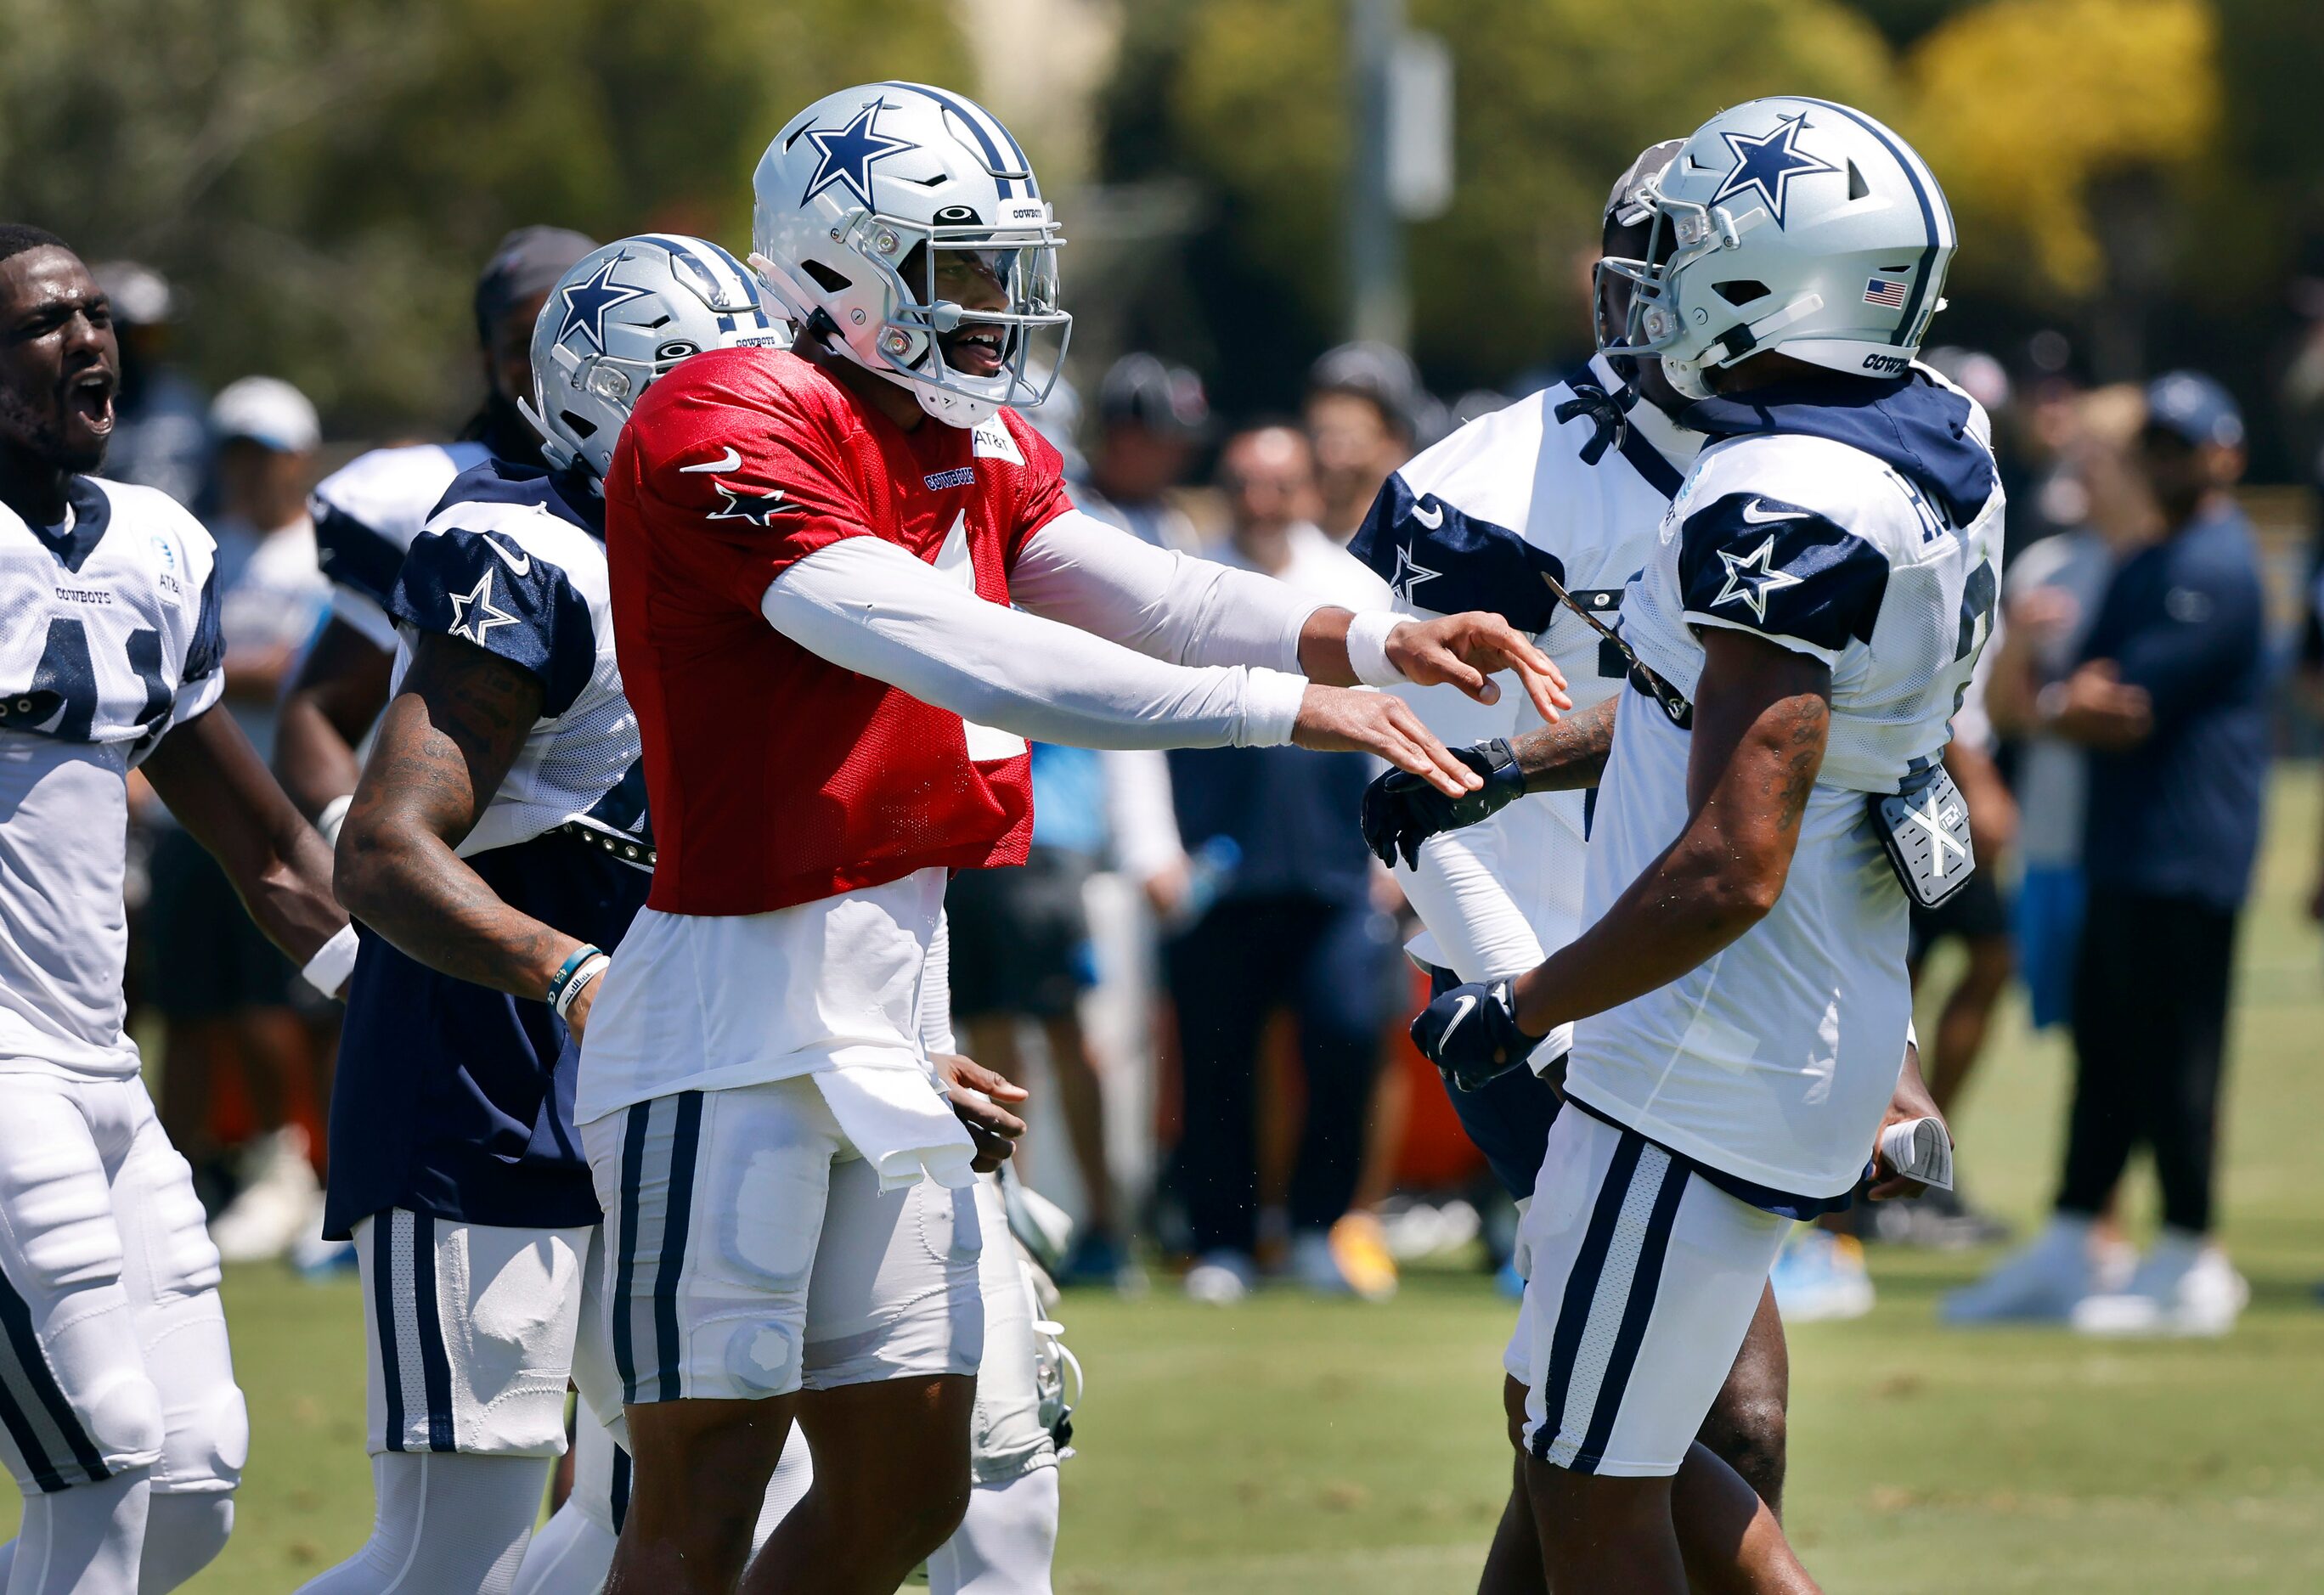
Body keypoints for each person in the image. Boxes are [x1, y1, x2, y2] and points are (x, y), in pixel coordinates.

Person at [579, 82, 1563, 1595]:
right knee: (698, 1491)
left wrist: (1376, 638)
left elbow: (1148, 590)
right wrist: (1282, 712)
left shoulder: (970, 439)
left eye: (1003, 270)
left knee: (912, 1475)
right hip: (722, 1015)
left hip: (892, 988)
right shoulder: (723, 416)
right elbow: (964, 652)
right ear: (838, 272)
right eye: (961, 269)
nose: (998, 309)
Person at [1403, 99, 1992, 1591]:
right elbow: (1763, 726)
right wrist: (1510, 767)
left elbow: (1734, 850)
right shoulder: (1942, 443)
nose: (1653, 293)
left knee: (1597, 1477)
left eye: (1693, 259)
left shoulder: (1773, 490)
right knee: (1584, 1425)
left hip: (1689, 1044)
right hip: (1804, 1017)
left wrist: (1527, 1004)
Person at [291, 235, 794, 1595]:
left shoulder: (724, 551)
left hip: (663, 1069)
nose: (757, 420)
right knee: (453, 1542)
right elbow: (387, 849)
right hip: (483, 1068)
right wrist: (572, 972)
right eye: (716, 388)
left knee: (717, 1492)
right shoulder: (516, 548)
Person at [1351, 139, 1799, 1555]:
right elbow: (1413, 787)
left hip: (1726, 984)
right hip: (1547, 988)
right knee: (1715, 1408)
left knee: (1612, 1399)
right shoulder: (1488, 486)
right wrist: (1528, 1010)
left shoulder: (1834, 467)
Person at [0, 223, 354, 1595]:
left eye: (96, 313)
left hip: (98, 1067)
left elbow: (265, 849)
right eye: (45, 321)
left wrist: (408, 993)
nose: (88, 337)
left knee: (194, 1480)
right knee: (101, 1451)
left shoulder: (155, 543)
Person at [1947, 372, 2268, 1338]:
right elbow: (2082, 702)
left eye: (2187, 447)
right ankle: (2077, 1234)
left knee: (2177, 1057)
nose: (2166, 464)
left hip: (2188, 848)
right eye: (2155, 446)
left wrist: (2064, 706)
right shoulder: (2149, 560)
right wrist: (2066, 704)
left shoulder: (2217, 564)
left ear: (2226, 458)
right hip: (2123, 848)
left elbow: (2120, 710)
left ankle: (2190, 1254)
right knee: (2111, 1051)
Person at [1160, 424, 1403, 1305]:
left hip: (1338, 867)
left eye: (1281, 485)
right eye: (1246, 483)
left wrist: (1396, 847)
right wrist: (1157, 852)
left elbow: (1393, 711)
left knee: (1345, 1036)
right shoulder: (1184, 579)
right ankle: (1221, 1238)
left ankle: (1315, 1228)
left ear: (1308, 490)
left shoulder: (1349, 585)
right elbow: (1133, 726)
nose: (1263, 501)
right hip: (1215, 867)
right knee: (1213, 1058)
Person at [274, 226, 598, 846]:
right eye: (523, 344)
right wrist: (360, 848)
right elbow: (316, 713)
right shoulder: (433, 499)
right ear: (486, 358)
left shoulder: (673, 484)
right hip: (483, 879)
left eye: (573, 340)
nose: (550, 365)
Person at [147, 375, 335, 1265]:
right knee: (187, 1003)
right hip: (192, 813)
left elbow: (312, 669)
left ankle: (290, 1169)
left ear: (299, 459)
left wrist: (216, 670)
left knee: (273, 1003)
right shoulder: (201, 545)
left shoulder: (325, 552)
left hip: (289, 812)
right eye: (235, 455)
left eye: (263, 455)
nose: (248, 473)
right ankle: (180, 1174)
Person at [86, 261, 209, 510]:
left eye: (158, 334)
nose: (151, 349)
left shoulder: (185, 403)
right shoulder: (84, 409)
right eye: (142, 337)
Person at [1077, 352, 1209, 554]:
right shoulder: (1069, 513)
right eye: (1172, 444)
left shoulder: (1172, 522)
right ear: (1126, 439)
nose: (1183, 458)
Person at [1305, 341, 1423, 544]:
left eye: (1350, 439)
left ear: (1395, 442)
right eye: (1320, 434)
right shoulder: (1269, 540)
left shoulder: (1413, 554)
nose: (1330, 458)